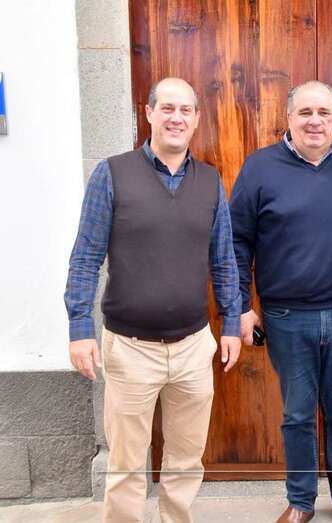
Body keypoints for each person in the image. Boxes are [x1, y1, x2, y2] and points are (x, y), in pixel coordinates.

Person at [64, 77, 242, 523]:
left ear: (196, 119)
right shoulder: (112, 174)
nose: (176, 118)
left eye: (185, 110)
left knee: (186, 459)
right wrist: (80, 328)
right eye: (167, 108)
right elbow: (85, 257)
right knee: (126, 463)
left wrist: (231, 324)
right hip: (130, 350)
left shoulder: (210, 181)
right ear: (148, 114)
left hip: (193, 347)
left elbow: (223, 259)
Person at [230, 81, 332, 523]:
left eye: (324, 113)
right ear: (289, 117)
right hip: (286, 316)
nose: (315, 121)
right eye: (306, 112)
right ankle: (300, 501)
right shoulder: (259, 168)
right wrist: (241, 306)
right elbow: (237, 241)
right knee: (296, 413)